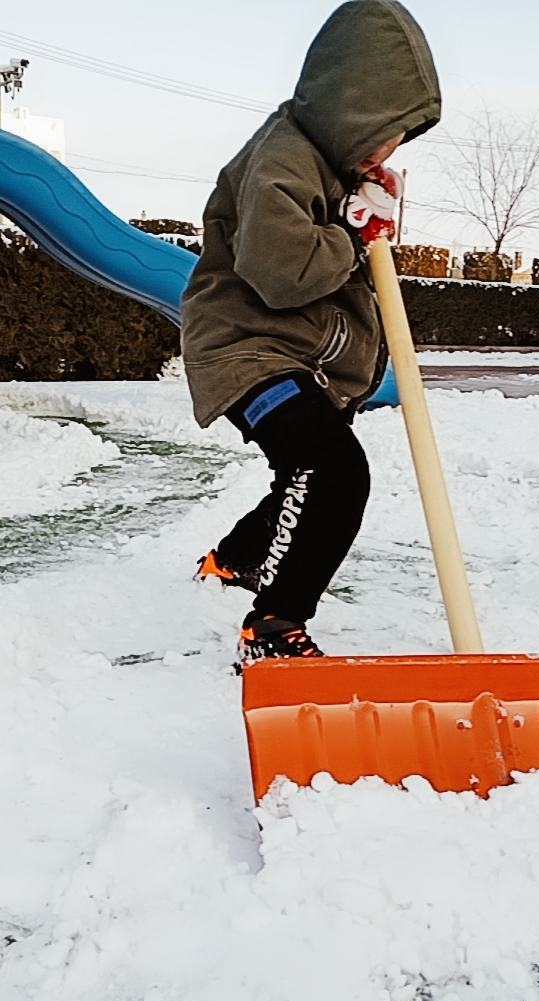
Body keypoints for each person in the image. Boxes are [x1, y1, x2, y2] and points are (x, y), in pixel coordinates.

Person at [180, 0, 441, 665]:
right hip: (247, 349)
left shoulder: (329, 165)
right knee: (331, 473)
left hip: (294, 355)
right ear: (350, 108)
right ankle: (272, 628)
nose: (390, 152)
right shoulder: (282, 163)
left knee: (307, 474)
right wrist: (354, 230)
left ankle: (232, 562)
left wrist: (359, 219)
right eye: (386, 133)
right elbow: (281, 271)